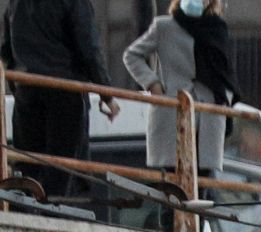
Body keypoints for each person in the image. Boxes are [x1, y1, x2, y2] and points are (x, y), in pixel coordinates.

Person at [2, 0, 115, 201]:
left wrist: (17, 83)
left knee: (28, 167)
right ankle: (52, 212)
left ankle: (28, 210)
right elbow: (89, 48)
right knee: (62, 172)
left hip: (27, 89)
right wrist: (106, 94)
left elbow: (6, 49)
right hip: (65, 90)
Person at [120, 0, 231, 187]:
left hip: (208, 117)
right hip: (172, 112)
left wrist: (224, 101)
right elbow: (132, 55)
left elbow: (225, 74)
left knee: (201, 189)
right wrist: (153, 83)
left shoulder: (218, 29)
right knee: (172, 189)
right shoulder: (164, 26)